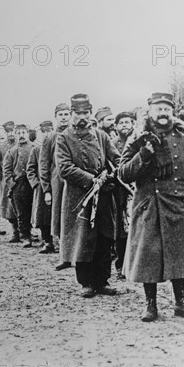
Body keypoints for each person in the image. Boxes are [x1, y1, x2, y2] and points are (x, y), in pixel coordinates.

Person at [119, 92, 184, 322]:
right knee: (149, 257)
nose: (163, 113)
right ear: (151, 112)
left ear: (172, 113)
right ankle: (150, 305)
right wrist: (143, 155)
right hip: (149, 205)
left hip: (177, 204)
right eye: (159, 109)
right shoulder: (138, 137)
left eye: (167, 109)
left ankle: (181, 303)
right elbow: (123, 173)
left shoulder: (183, 137)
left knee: (178, 257)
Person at [55, 94, 121, 298]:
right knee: (82, 238)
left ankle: (103, 281)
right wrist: (91, 180)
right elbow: (64, 168)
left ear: (91, 113)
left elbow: (117, 158)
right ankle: (86, 282)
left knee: (104, 237)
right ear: (72, 114)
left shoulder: (101, 135)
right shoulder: (63, 137)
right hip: (78, 197)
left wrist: (113, 176)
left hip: (103, 195)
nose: (82, 117)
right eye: (78, 113)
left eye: (86, 113)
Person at [39, 103, 72, 261]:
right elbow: (44, 165)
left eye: (66, 114)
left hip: (75, 179)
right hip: (57, 181)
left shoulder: (74, 134)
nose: (64, 117)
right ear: (56, 117)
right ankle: (64, 255)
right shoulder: (50, 137)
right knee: (59, 215)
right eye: (61, 114)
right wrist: (46, 189)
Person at [3, 124, 35, 247]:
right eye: (18, 133)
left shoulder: (35, 148)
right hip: (19, 186)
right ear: (15, 135)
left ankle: (45, 237)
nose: (21, 135)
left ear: (28, 133)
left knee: (36, 210)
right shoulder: (11, 152)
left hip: (34, 184)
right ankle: (26, 237)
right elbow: (7, 170)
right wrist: (12, 184)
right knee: (22, 213)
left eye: (23, 132)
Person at [112, 111, 135, 280]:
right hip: (119, 191)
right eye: (121, 123)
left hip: (137, 190)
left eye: (128, 122)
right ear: (116, 126)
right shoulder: (112, 144)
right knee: (122, 231)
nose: (125, 125)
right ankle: (120, 265)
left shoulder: (138, 141)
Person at [27, 121, 54, 252]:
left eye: (49, 131)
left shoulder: (59, 145)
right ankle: (48, 242)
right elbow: (30, 169)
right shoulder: (36, 150)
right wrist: (36, 184)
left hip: (58, 185)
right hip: (42, 187)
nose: (46, 135)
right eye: (44, 132)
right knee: (44, 217)